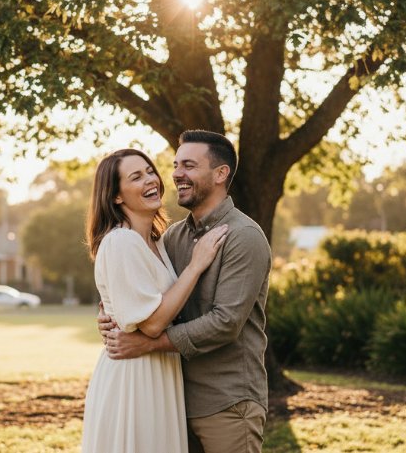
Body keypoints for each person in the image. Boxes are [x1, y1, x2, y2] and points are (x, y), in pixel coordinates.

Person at [100, 130, 273, 453]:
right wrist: (110, 316)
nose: (177, 174)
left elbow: (226, 322)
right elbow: (146, 297)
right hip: (171, 400)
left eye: (189, 166)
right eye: (176, 165)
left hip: (227, 402)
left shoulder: (243, 236)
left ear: (220, 174)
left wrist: (146, 344)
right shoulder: (171, 238)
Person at [81, 148, 228, 453]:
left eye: (150, 171)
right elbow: (152, 324)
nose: (151, 180)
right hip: (133, 377)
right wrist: (196, 265)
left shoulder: (159, 242)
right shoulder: (121, 242)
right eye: (136, 177)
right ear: (116, 196)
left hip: (160, 371)